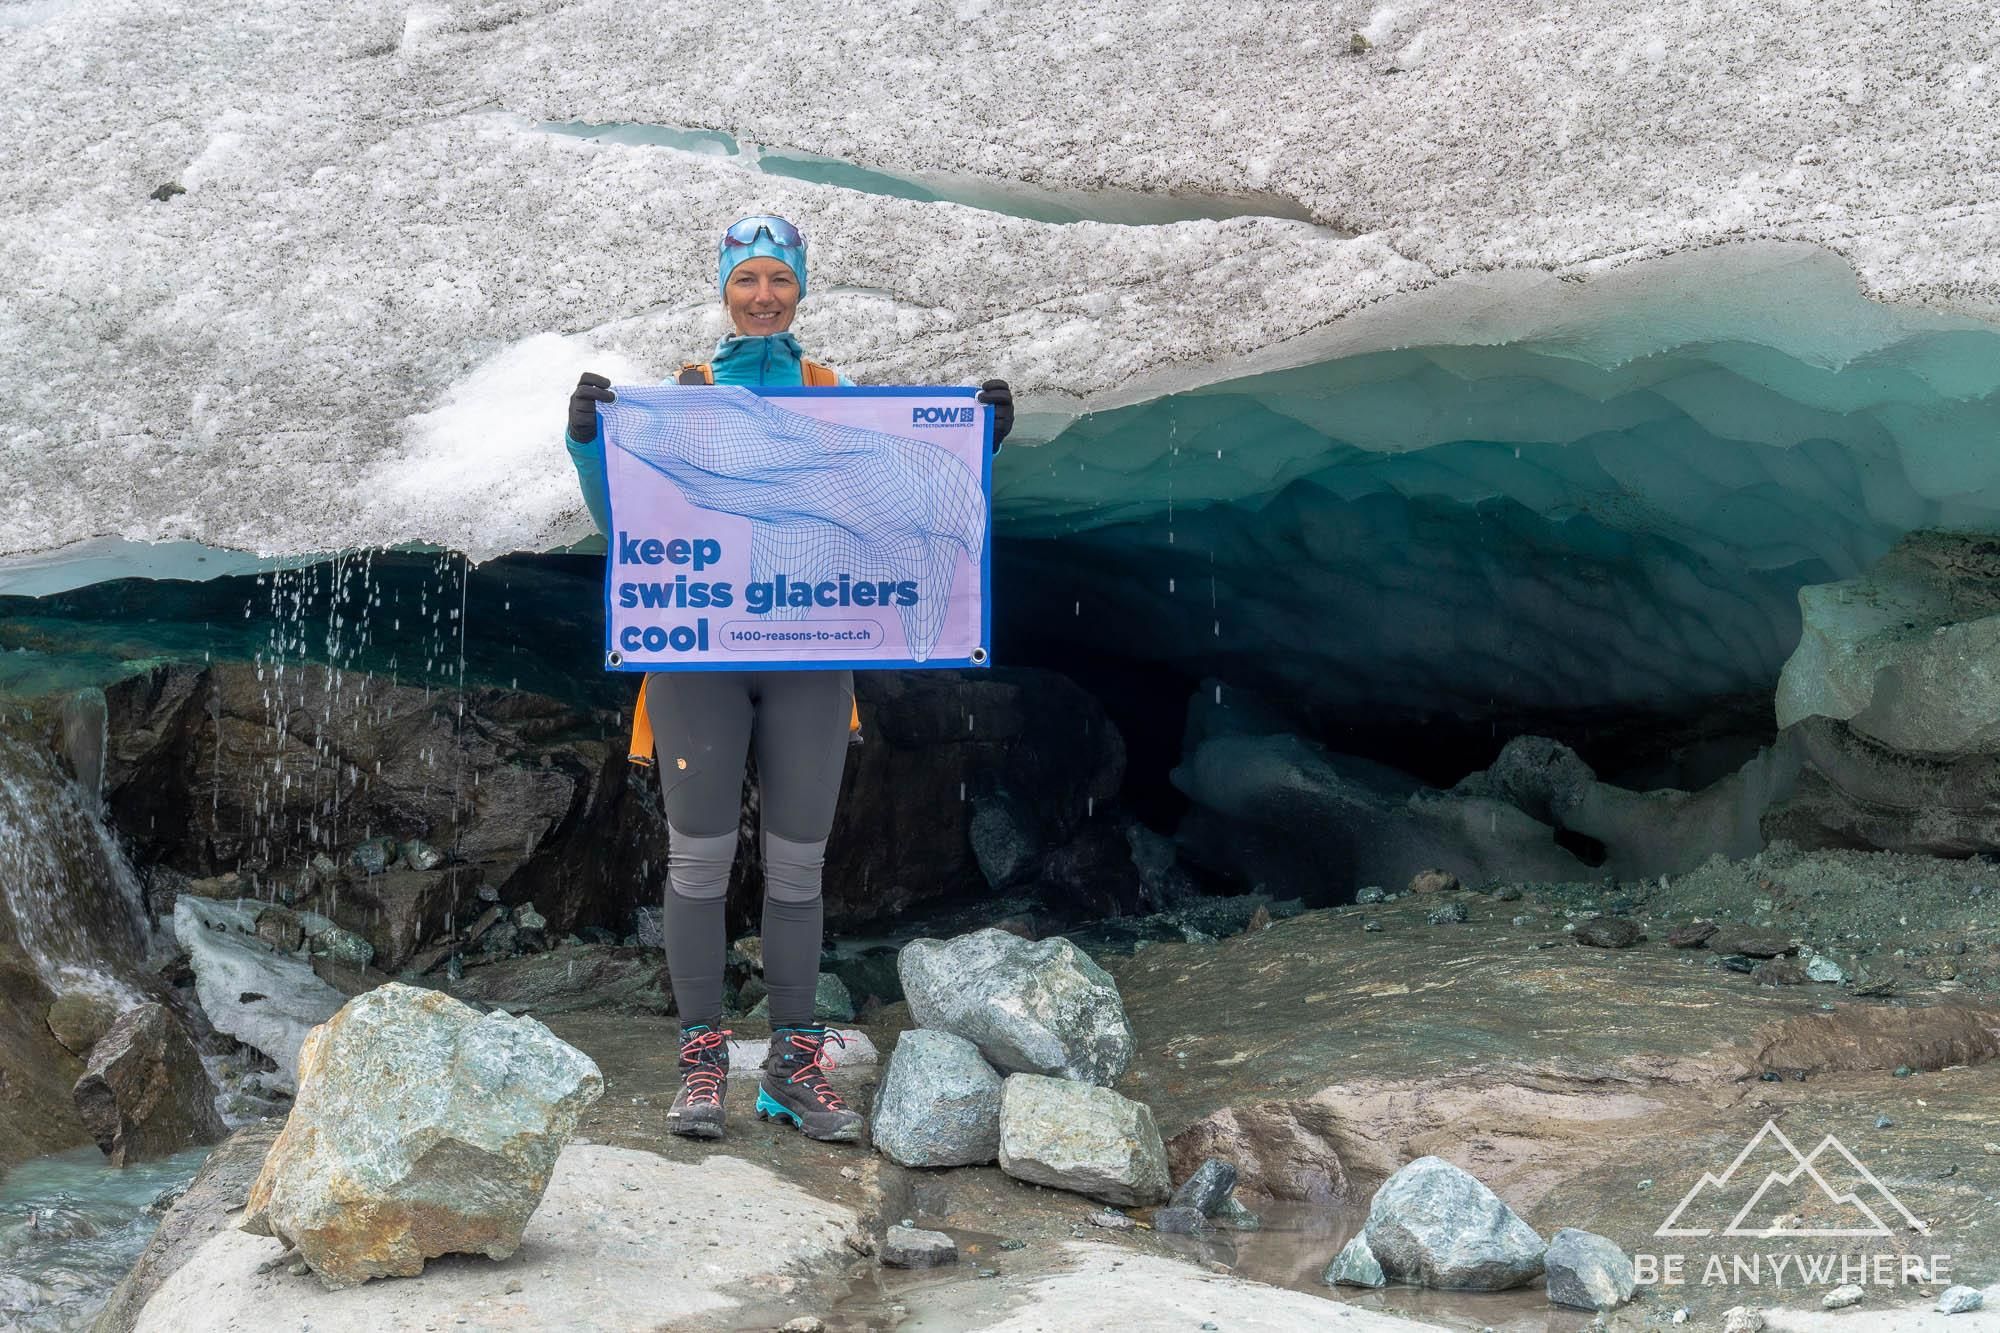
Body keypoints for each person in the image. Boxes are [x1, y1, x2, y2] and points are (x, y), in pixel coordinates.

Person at [564, 214, 1012, 1143]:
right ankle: (700, 1066)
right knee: (699, 861)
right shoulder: (681, 399)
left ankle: (792, 1071)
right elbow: (628, 523)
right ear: (723, 290)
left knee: (799, 871)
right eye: (746, 279)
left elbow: (913, 503)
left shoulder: (841, 401)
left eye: (778, 279)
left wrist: (978, 445)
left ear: (800, 288)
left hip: (811, 658)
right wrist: (585, 446)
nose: (763, 294)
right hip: (699, 661)